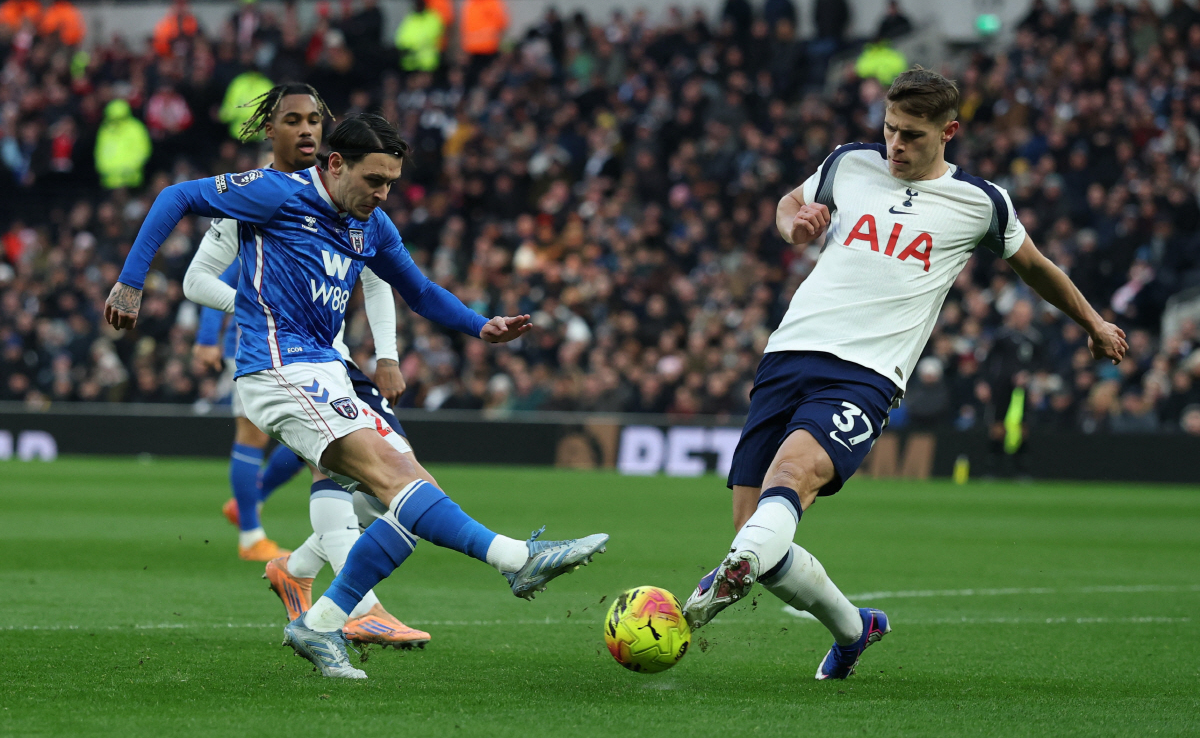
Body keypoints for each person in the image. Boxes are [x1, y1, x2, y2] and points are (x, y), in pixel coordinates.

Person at [104, 113, 609, 679]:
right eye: (373, 180)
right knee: (396, 483)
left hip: (330, 370)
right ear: (335, 164)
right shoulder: (275, 193)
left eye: (390, 182)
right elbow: (175, 196)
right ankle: (518, 559)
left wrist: (478, 325)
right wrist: (131, 280)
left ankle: (319, 623)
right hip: (276, 369)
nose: (382, 193)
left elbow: (417, 290)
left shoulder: (372, 225)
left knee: (414, 502)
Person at [682, 68, 1127, 680]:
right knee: (755, 535)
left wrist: (1094, 323)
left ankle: (714, 587)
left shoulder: (980, 202)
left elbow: (1035, 266)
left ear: (948, 132)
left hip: (866, 373)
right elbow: (790, 204)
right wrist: (795, 227)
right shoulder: (849, 162)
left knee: (790, 478)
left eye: (911, 136)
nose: (894, 145)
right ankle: (853, 629)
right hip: (788, 355)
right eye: (889, 129)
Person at [185, 83, 430, 649]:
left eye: (316, 120)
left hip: (334, 359)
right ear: (270, 129)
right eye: (293, 120)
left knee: (381, 482)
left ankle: (294, 568)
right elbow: (199, 279)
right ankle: (347, 598)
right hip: (270, 353)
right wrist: (246, 313)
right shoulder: (251, 195)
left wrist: (387, 354)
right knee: (334, 467)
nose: (307, 130)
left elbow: (377, 274)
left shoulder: (349, 193)